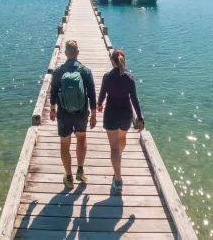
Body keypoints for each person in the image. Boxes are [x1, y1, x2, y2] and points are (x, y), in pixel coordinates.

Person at [50, 40, 97, 189]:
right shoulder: (85, 71)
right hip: (81, 112)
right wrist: (94, 115)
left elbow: (53, 93)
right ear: (77, 52)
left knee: (65, 143)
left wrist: (52, 109)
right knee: (81, 138)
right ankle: (80, 171)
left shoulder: (58, 72)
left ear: (65, 54)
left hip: (63, 112)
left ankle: (68, 177)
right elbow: (92, 95)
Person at [97, 49, 144, 195]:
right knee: (122, 139)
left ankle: (118, 180)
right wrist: (140, 118)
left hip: (111, 114)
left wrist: (99, 104)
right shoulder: (129, 77)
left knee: (113, 149)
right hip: (126, 115)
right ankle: (118, 159)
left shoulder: (107, 77)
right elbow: (134, 99)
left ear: (112, 61)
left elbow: (102, 95)